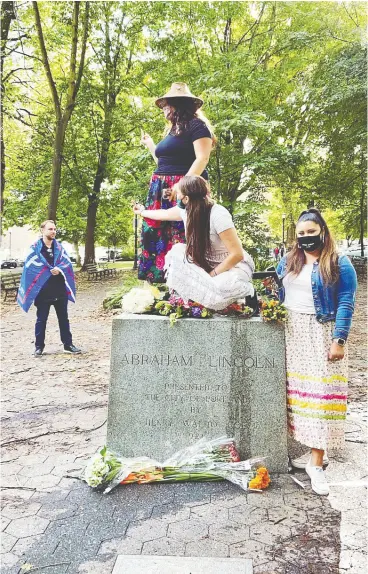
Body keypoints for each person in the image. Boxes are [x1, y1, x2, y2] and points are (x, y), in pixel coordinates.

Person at [276, 208, 357, 495]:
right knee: (298, 397)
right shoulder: (287, 260)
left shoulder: (338, 262)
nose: (307, 237)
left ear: (322, 231)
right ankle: (308, 454)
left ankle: (317, 464)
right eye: (302, 234)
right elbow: (277, 293)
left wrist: (340, 339)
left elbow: (346, 301)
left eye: (312, 232)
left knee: (321, 398)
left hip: (322, 332)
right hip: (291, 332)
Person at [133, 175, 254, 310]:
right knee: (177, 251)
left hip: (232, 266)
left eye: (178, 193)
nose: (175, 197)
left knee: (221, 287)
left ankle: (224, 294)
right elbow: (164, 214)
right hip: (205, 265)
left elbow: (237, 255)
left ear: (186, 198)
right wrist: (143, 212)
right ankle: (199, 296)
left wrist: (211, 275)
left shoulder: (218, 214)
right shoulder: (185, 211)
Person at [139, 82, 215, 282]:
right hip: (161, 189)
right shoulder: (173, 130)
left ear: (179, 105)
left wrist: (180, 187)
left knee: (181, 234)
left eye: (167, 104)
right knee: (156, 234)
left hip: (184, 189)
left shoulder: (198, 126)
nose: (163, 108)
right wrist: (151, 146)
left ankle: (187, 286)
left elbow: (202, 159)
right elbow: (164, 163)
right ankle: (161, 286)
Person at [17, 220, 81, 357]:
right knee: (41, 320)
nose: (53, 231)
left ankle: (68, 345)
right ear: (42, 231)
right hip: (43, 291)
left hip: (59, 290)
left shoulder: (59, 247)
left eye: (55, 229)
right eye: (50, 229)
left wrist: (60, 269)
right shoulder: (35, 248)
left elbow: (67, 263)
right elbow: (29, 267)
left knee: (64, 319)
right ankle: (39, 347)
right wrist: (45, 271)